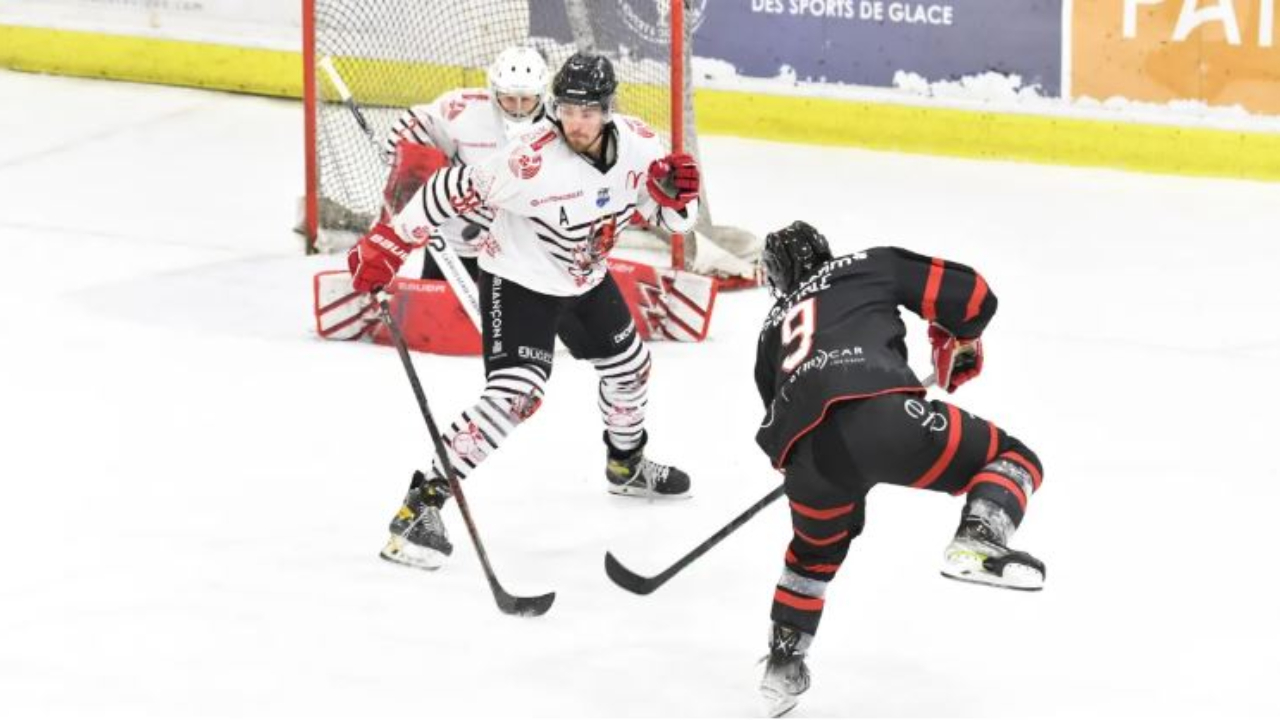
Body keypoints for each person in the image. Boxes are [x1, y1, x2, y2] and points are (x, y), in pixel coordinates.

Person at [347, 51, 703, 571]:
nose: (575, 123)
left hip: (586, 278)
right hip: (518, 280)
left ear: (608, 110)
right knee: (516, 396)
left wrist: (678, 204)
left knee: (631, 369)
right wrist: (390, 242)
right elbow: (450, 188)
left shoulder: (643, 147)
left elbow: (672, 220)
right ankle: (422, 504)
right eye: (566, 109)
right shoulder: (528, 161)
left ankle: (625, 466)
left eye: (588, 111)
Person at [752, 221, 1046, 717]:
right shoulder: (869, 264)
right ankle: (979, 534)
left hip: (808, 462)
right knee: (1013, 457)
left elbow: (777, 417)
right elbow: (975, 297)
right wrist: (959, 338)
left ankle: (783, 665)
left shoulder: (769, 333)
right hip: (882, 418)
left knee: (812, 557)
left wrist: (837, 487)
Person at [379, 45, 551, 282]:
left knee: (515, 316)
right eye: (510, 99)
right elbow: (417, 122)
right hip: (453, 245)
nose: (519, 109)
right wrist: (403, 156)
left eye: (527, 100)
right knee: (435, 314)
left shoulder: (558, 125)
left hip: (517, 250)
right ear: (494, 91)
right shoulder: (463, 110)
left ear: (542, 95)